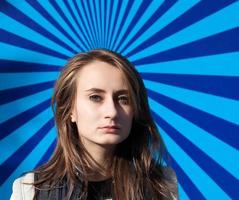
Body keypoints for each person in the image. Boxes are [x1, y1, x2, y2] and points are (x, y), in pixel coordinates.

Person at [10, 49, 178, 200]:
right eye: (95, 97)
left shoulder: (161, 185)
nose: (111, 112)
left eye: (123, 99)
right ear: (70, 110)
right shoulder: (31, 190)